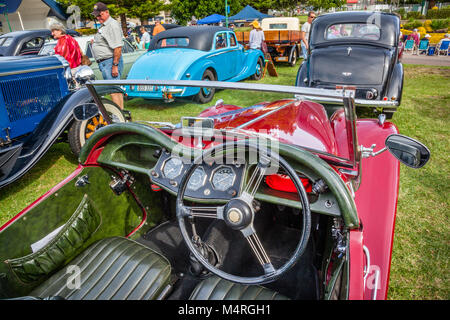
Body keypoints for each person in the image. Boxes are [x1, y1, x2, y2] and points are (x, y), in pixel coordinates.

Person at [91, 2, 124, 109]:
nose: (98, 18)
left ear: (107, 12)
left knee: (113, 91)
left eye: (100, 15)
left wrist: (115, 65)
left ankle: (119, 117)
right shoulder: (104, 25)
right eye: (96, 16)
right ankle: (121, 116)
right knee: (115, 90)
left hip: (110, 62)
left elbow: (118, 47)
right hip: (107, 62)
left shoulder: (112, 25)